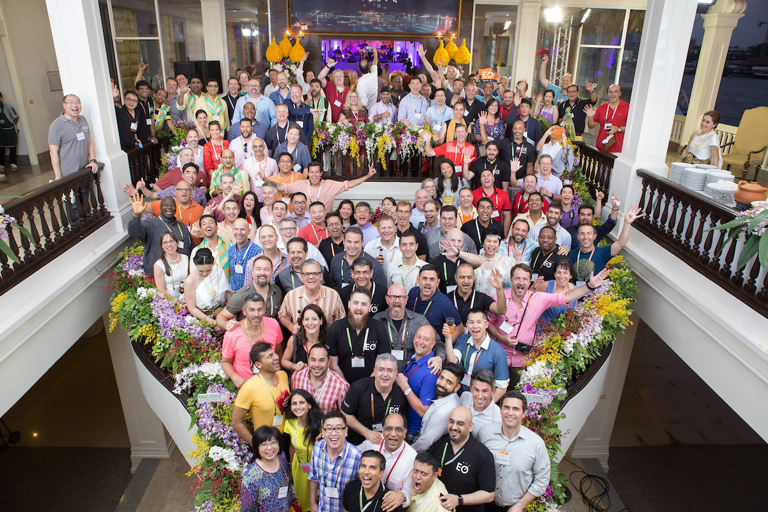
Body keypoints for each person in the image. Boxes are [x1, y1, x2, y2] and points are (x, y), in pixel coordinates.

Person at [489, 264, 610, 387]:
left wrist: (589, 286)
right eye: (517, 278)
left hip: (522, 360)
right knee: (493, 391)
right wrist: (501, 337)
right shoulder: (497, 298)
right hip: (499, 356)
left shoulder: (538, 298)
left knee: (516, 395)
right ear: (511, 280)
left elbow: (566, 296)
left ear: (529, 281)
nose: (521, 282)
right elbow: (489, 323)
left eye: (525, 279)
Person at [477, 391, 551, 512]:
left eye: (516, 409)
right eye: (506, 407)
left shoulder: (536, 444)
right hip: (482, 504)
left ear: (524, 414)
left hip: (513, 508)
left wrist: (520, 505)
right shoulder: (485, 433)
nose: (510, 413)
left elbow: (542, 479)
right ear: (500, 410)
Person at [425, 406, 495, 512]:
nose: (454, 427)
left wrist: (459, 500)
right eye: (451, 422)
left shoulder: (482, 455)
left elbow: (489, 494)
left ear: (470, 426)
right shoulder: (440, 443)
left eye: (460, 424)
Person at [327, 288, 392, 383]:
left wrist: (365, 387)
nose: (359, 308)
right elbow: (333, 365)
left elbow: (382, 364)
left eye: (364, 304)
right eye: (355, 303)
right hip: (342, 385)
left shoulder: (379, 328)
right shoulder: (335, 328)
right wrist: (346, 386)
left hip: (371, 385)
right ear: (349, 304)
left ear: (370, 307)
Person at [342, 353, 407, 445]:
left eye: (389, 370)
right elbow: (345, 414)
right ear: (375, 371)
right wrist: (366, 432)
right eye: (381, 370)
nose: (385, 374)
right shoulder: (358, 387)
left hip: (387, 446)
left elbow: (403, 421)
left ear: (396, 373)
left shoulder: (401, 392)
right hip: (358, 444)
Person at [446, 308, 509, 401]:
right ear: (467, 325)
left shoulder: (498, 352)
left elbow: (502, 387)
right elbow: (452, 361)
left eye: (479, 322)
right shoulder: (463, 339)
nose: (475, 326)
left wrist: (484, 407)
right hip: (459, 396)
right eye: (471, 322)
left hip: (481, 400)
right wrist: (448, 338)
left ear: (486, 324)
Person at [232, 342, 291, 443]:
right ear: (258, 365)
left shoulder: (283, 375)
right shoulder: (249, 388)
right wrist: (257, 446)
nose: (276, 357)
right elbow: (236, 423)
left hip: (287, 437)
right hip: (267, 442)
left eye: (274, 353)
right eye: (269, 356)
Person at [357, 412, 417, 510]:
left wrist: (402, 496)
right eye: (388, 429)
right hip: (364, 501)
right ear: (383, 430)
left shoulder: (412, 458)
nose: (393, 434)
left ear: (405, 432)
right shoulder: (372, 443)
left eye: (398, 430)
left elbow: (408, 494)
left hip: (389, 507)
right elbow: (351, 454)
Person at [221, 293, 283, 386]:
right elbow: (225, 362)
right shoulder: (232, 334)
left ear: (264, 309)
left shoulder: (274, 325)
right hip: (246, 385)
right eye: (251, 310)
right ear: (244, 311)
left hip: (270, 383)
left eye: (259, 309)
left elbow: (279, 352)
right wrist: (234, 377)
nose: (256, 314)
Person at [569, 206, 643, 281]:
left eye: (589, 233)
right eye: (582, 233)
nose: (585, 237)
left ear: (594, 236)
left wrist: (627, 223)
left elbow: (621, 243)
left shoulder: (602, 252)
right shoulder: (570, 255)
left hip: (596, 292)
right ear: (578, 236)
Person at [308, 411, 362, 512]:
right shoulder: (317, 448)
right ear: (323, 432)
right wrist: (313, 504)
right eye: (329, 429)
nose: (333, 433)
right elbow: (313, 476)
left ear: (346, 431)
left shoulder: (357, 456)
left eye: (338, 428)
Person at [127, 195, 192, 274]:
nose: (169, 207)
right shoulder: (149, 224)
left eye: (172, 205)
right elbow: (135, 232)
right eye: (166, 205)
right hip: (159, 273)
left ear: (176, 208)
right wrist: (136, 215)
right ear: (160, 207)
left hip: (181, 272)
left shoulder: (182, 226)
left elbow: (190, 246)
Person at [278, 259, 346, 333]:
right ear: (301, 277)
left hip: (325, 340)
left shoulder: (333, 295)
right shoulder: (291, 295)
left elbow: (341, 319)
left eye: (315, 273)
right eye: (307, 274)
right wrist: (291, 327)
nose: (311, 277)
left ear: (321, 276)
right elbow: (282, 316)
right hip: (301, 340)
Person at [217, 255, 283, 331]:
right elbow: (221, 316)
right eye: (258, 269)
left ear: (272, 272)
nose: (262, 273)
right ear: (252, 272)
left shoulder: (277, 291)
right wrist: (226, 324)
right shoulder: (241, 295)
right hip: (248, 338)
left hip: (270, 336)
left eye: (266, 269)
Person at [408, 363, 463, 453]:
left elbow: (423, 444)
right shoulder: (449, 396)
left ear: (457, 387)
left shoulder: (441, 413)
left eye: (449, 382)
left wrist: (406, 453)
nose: (442, 383)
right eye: (441, 377)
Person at [285, 389, 323, 512]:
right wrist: (290, 467)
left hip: (318, 468)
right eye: (294, 403)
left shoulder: (321, 424)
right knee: (301, 500)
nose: (298, 407)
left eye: (302, 402)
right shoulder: (290, 423)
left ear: (309, 405)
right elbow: (292, 446)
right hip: (299, 466)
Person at [240, 425, 293, 512]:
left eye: (273, 442)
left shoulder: (281, 457)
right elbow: (248, 509)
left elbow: (287, 486)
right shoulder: (251, 477)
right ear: (257, 447)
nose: (269, 448)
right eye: (264, 444)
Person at [407, 266, 464, 343]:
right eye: (424, 278)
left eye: (432, 279)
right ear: (418, 280)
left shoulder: (445, 304)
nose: (427, 282)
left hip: (432, 348)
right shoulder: (412, 293)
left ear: (437, 282)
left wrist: (444, 350)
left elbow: (460, 330)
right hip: (411, 343)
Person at [48, 94, 99, 180]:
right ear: (64, 105)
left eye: (77, 102)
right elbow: (53, 152)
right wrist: (58, 176)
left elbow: (89, 142)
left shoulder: (83, 119)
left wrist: (93, 160)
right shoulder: (56, 125)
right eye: (70, 102)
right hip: (69, 175)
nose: (75, 105)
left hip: (85, 170)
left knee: (87, 193)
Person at [291, 344, 350, 415]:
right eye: (313, 360)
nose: (317, 364)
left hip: (326, 425)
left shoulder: (341, 386)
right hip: (301, 425)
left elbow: (344, 416)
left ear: (328, 362)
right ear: (308, 360)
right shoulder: (297, 376)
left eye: (321, 360)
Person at [184, 248, 231, 330]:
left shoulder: (218, 271)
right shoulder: (190, 281)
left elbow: (227, 294)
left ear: (213, 263)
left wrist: (231, 315)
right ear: (195, 265)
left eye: (208, 270)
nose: (205, 274)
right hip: (204, 320)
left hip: (223, 315)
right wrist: (214, 324)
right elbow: (192, 308)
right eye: (201, 271)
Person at [585, 84, 629, 153]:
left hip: (618, 149)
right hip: (601, 147)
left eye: (615, 91)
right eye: (610, 92)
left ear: (620, 93)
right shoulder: (602, 107)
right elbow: (591, 126)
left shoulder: (627, 108)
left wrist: (618, 129)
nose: (612, 94)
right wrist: (590, 117)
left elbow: (632, 129)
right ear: (608, 94)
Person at [534, 260, 577, 328]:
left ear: (571, 275)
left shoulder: (575, 290)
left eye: (565, 273)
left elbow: (575, 310)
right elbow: (530, 301)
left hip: (564, 332)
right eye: (559, 272)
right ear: (554, 274)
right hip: (543, 330)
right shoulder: (545, 286)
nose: (562, 276)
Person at [472, 169, 513, 236]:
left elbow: (507, 216)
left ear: (493, 178)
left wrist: (505, 235)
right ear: (480, 180)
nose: (486, 178)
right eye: (483, 176)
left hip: (497, 231)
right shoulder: (473, 194)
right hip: (478, 231)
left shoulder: (503, 194)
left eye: (488, 175)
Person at [474, 230, 515, 295]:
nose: (492, 244)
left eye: (495, 241)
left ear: (499, 244)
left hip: (497, 301)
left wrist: (518, 260)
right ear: (482, 243)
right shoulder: (475, 260)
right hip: (477, 301)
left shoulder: (505, 262)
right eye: (488, 241)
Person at [151, 232, 189, 301]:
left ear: (177, 243)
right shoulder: (159, 265)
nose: (169, 245)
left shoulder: (185, 258)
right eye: (165, 243)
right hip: (170, 302)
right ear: (162, 246)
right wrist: (178, 305)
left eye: (171, 241)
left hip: (187, 298)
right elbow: (161, 291)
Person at [0, 92, 18, 174]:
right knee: (1, 148)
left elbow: (15, 117)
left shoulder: (8, 107)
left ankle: (12, 162)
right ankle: (1, 164)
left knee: (12, 147)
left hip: (10, 130)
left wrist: (12, 126)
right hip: (1, 131)